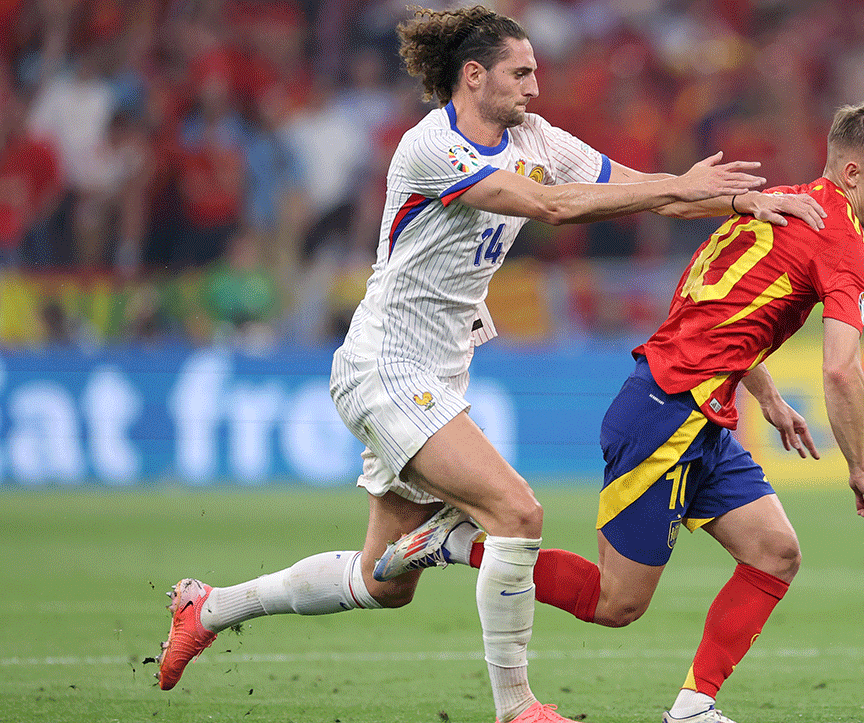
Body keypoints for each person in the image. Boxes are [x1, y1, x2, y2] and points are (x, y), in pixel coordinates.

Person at [154, 6, 825, 723]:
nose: (535, 86)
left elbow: (640, 189)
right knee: (516, 511)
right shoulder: (431, 146)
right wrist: (682, 187)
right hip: (386, 366)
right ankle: (517, 707)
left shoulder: (535, 136)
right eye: (521, 73)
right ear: (474, 76)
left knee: (383, 580)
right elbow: (551, 206)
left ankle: (209, 607)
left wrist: (738, 199)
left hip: (439, 374)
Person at [378, 101, 864, 723]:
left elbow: (710, 307)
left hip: (694, 412)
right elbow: (841, 369)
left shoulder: (776, 205)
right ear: (852, 173)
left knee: (774, 551)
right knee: (616, 603)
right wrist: (859, 466)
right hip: (668, 415)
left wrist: (767, 396)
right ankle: (455, 542)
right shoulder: (844, 243)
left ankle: (693, 706)